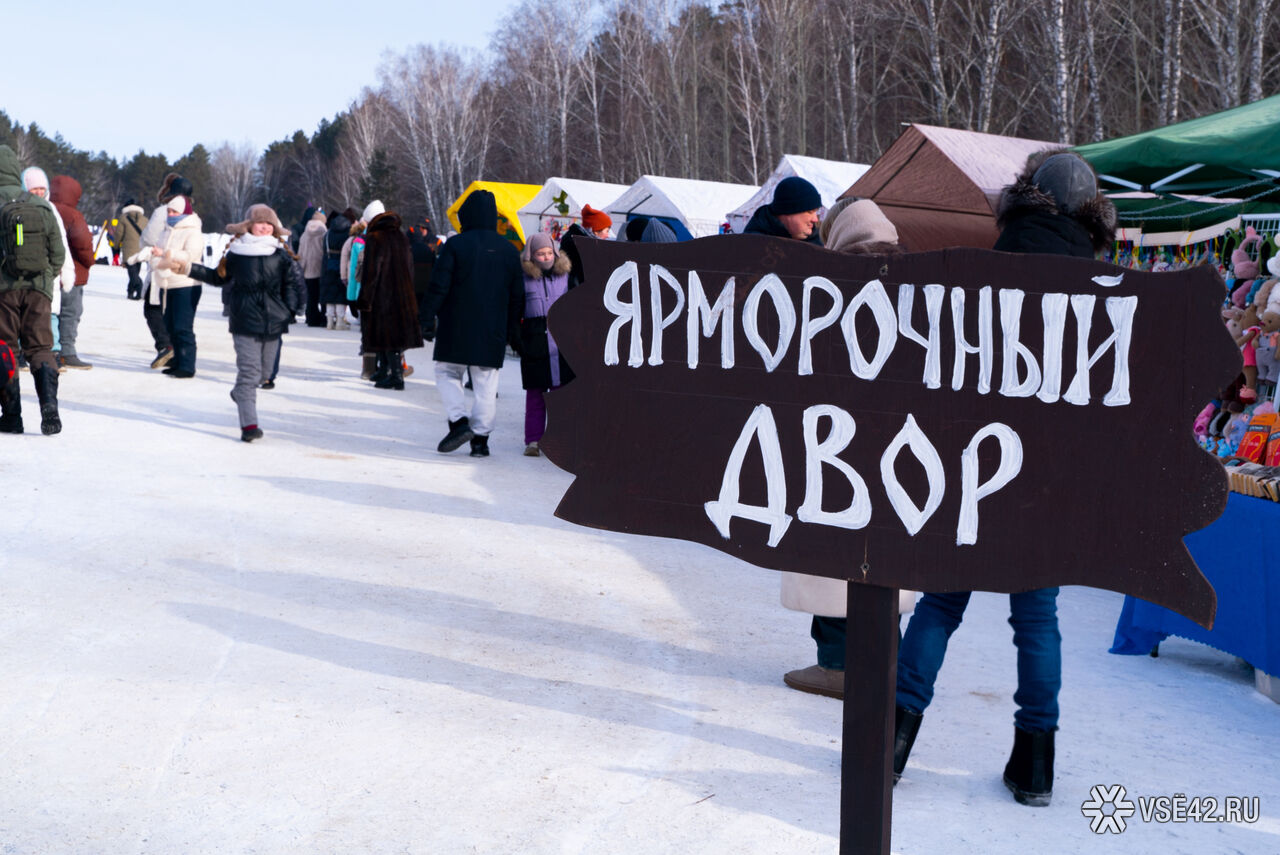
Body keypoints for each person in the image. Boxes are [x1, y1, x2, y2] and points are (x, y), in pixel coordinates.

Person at [893, 150, 1117, 807]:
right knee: (1037, 617)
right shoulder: (1105, 292)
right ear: (1090, 214)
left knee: (940, 603)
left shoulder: (982, 270)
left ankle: (890, 740)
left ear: (1027, 200)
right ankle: (1036, 767)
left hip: (975, 464)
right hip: (1046, 476)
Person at [776, 197, 905, 701]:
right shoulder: (915, 283)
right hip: (897, 446)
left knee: (829, 550)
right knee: (885, 555)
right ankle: (883, 658)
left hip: (833, 442)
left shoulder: (829, 284)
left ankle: (837, 664)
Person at [177, 204, 304, 442]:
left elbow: (292, 284)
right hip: (244, 320)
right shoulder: (237, 254)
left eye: (269, 223)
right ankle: (249, 426)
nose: (264, 227)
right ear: (249, 226)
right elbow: (217, 277)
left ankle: (239, 393)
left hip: (274, 321)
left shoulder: (280, 254)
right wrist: (187, 268)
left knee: (265, 374)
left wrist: (289, 310)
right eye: (260, 223)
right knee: (249, 373)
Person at [419, 190, 523, 457]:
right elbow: (517, 296)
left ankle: (459, 422)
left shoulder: (455, 245)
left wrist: (426, 317)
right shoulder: (509, 251)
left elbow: (439, 286)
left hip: (455, 324)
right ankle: (480, 440)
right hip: (493, 328)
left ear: (466, 215)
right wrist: (513, 330)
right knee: (486, 383)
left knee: (447, 372)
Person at [0, 145, 67, 435]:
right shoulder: (40, 204)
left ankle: (11, 416)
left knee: (5, 349)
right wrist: (45, 279)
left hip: (4, 291)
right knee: (40, 348)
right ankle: (49, 407)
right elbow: (58, 253)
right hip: (39, 289)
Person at [349, 207, 423, 391]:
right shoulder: (401, 237)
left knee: (385, 333)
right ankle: (384, 370)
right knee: (391, 333)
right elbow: (410, 267)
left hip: (383, 293)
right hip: (402, 292)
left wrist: (364, 299)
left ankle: (396, 376)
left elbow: (371, 272)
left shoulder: (375, 238)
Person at [131, 195, 203, 377]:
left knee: (182, 326)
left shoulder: (193, 231)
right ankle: (177, 361)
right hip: (168, 284)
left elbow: (190, 255)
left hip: (186, 284)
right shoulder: (167, 230)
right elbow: (159, 252)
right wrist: (151, 255)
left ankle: (187, 365)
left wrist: (165, 253)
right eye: (169, 211)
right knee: (170, 325)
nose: (170, 214)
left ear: (184, 212)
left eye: (174, 212)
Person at [517, 233, 573, 456]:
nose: (546, 257)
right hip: (535, 341)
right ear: (532, 256)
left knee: (560, 396)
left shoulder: (565, 275)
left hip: (561, 342)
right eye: (541, 254)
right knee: (535, 394)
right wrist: (519, 341)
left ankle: (559, 440)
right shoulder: (523, 278)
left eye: (549, 252)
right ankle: (533, 440)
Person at [137, 173, 194, 369]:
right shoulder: (191, 213)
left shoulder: (164, 211)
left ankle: (166, 346)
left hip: (162, 267)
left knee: (152, 308)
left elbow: (149, 237)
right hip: (182, 271)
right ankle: (178, 352)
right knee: (174, 312)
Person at [49, 175, 95, 370]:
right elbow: (83, 244)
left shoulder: (46, 209)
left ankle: (49, 350)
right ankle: (66, 352)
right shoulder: (73, 215)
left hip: (50, 272)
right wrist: (89, 261)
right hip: (73, 273)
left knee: (49, 313)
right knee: (70, 313)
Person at [743, 175, 823, 244]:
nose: (815, 219)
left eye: (816, 211)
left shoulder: (818, 243)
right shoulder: (753, 244)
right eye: (810, 212)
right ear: (787, 211)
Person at [559, 204, 612, 291]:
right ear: (596, 231)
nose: (608, 235)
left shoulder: (583, 241)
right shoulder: (577, 243)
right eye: (607, 231)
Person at [319, 207, 355, 331]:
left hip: (328, 264)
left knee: (329, 294)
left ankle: (329, 322)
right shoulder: (348, 233)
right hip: (342, 265)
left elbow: (323, 249)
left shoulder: (328, 233)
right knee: (340, 294)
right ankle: (340, 322)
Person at [295, 210, 328, 327]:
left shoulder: (304, 234)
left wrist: (301, 268)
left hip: (308, 270)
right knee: (323, 296)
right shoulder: (324, 233)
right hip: (321, 269)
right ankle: (324, 318)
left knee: (311, 296)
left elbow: (300, 253)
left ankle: (311, 318)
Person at [117, 200, 148, 301]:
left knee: (133, 273)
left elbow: (119, 234)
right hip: (141, 249)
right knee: (135, 272)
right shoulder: (145, 219)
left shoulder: (123, 218)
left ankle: (140, 289)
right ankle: (130, 292)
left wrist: (116, 246)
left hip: (128, 250)